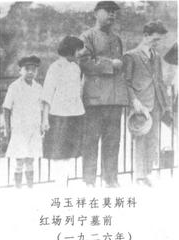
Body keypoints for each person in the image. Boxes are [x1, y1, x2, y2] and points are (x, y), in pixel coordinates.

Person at [79, 1, 128, 187]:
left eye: (114, 12)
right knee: (91, 141)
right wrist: (110, 64)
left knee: (113, 141)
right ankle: (89, 181)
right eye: (107, 11)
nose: (112, 15)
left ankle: (111, 179)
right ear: (95, 13)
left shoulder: (117, 39)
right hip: (95, 99)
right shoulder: (86, 36)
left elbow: (121, 66)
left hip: (114, 99)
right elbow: (84, 62)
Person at [123, 21, 170, 186]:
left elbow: (160, 81)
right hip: (140, 105)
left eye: (159, 40)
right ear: (145, 36)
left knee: (153, 140)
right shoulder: (131, 56)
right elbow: (126, 82)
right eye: (155, 39)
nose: (157, 43)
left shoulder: (156, 56)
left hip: (156, 103)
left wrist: (166, 105)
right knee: (140, 139)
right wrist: (134, 101)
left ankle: (148, 173)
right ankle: (140, 176)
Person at [41, 36, 85, 188]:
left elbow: (78, 92)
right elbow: (47, 94)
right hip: (59, 116)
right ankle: (59, 184)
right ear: (71, 49)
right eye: (79, 50)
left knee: (69, 153)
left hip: (75, 115)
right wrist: (45, 119)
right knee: (58, 153)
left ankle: (64, 183)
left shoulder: (76, 67)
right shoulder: (55, 67)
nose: (80, 53)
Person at [3, 55, 42, 188]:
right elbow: (6, 108)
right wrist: (7, 128)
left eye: (34, 69)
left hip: (33, 128)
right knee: (19, 160)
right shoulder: (14, 87)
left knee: (31, 159)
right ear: (21, 70)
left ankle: (30, 187)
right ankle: (18, 188)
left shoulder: (38, 87)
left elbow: (41, 109)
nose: (30, 72)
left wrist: (42, 124)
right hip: (19, 129)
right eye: (27, 69)